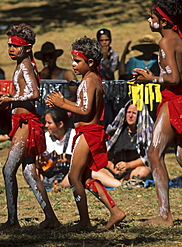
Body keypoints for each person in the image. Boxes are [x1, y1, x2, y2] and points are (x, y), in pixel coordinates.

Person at [46, 36, 125, 231]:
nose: (73, 65)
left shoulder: (90, 80)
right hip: (86, 131)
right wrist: (61, 102)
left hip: (89, 132)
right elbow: (82, 106)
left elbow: (85, 110)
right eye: (73, 60)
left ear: (90, 62)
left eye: (77, 61)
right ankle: (115, 212)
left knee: (74, 177)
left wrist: (61, 103)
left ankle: (84, 222)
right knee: (85, 179)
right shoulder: (88, 79)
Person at [0, 23, 60, 229]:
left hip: (26, 123)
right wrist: (9, 98)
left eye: (15, 45)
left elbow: (34, 93)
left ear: (28, 48)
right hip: (22, 121)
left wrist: (9, 99)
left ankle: (13, 221)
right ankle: (51, 218)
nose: (11, 49)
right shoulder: (22, 65)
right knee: (29, 171)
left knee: (8, 170)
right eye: (9, 45)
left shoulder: (25, 66)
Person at [131, 0, 182, 226]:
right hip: (176, 98)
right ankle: (164, 214)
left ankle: (164, 215)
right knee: (180, 156)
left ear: (163, 21)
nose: (148, 20)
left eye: (151, 16)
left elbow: (174, 79)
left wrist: (150, 79)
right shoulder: (177, 39)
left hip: (174, 100)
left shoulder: (165, 41)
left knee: (154, 152)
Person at [93, 101, 154, 188]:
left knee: (144, 171)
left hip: (133, 171)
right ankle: (121, 184)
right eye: (128, 112)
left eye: (134, 113)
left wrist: (128, 165)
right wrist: (111, 167)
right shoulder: (117, 132)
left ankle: (117, 183)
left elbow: (148, 157)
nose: (130, 116)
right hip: (114, 172)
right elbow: (102, 155)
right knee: (93, 172)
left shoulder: (146, 134)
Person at [36, 108, 75, 190]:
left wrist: (68, 158)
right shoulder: (45, 137)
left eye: (49, 123)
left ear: (60, 124)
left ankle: (62, 185)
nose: (46, 126)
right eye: (45, 122)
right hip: (49, 176)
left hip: (68, 176)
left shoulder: (73, 136)